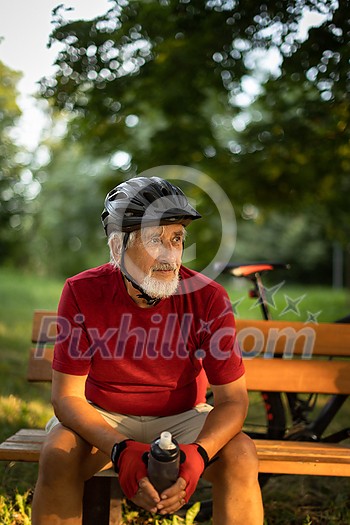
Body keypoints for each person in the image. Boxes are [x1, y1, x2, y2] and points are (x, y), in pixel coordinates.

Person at [32, 176, 263, 525]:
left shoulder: (208, 297)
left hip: (182, 415)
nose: (170, 254)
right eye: (155, 239)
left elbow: (233, 401)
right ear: (116, 248)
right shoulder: (82, 291)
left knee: (241, 454)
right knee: (57, 454)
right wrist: (120, 450)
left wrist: (199, 455)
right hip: (101, 413)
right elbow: (67, 398)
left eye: (177, 239)